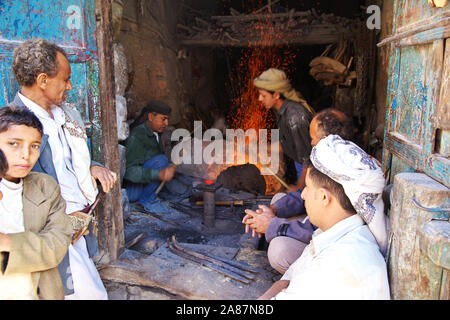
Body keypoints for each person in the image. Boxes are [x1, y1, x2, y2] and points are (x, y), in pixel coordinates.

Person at [11, 38, 118, 299]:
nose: (70, 86)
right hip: (49, 232)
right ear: (43, 80)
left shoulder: (65, 113)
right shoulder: (15, 127)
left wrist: (91, 166)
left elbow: (65, 160)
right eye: (65, 79)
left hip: (75, 226)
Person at [258, 134, 390, 300]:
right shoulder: (332, 233)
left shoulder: (336, 266)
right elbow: (286, 281)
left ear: (323, 197)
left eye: (307, 188)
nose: (303, 195)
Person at [243, 108, 355, 274]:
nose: (310, 143)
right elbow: (303, 196)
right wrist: (273, 211)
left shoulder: (347, 171)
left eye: (312, 138)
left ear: (325, 139)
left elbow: (317, 230)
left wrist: (272, 224)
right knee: (279, 199)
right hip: (316, 226)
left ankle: (299, 275)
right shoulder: (330, 159)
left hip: (331, 242)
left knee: (279, 251)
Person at [0, 105, 72, 300]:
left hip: (38, 292)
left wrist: (7, 242)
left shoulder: (45, 187)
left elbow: (57, 244)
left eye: (34, 146)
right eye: (14, 144)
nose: (26, 155)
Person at [253, 68, 314, 183]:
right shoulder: (281, 110)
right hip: (302, 166)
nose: (259, 99)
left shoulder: (294, 117)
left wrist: (299, 186)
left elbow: (308, 161)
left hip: (310, 171)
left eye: (263, 95)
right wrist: (255, 148)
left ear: (276, 95)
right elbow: (289, 144)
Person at [124, 100, 177, 209]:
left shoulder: (156, 134)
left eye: (167, 119)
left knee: (172, 169)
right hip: (132, 190)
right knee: (162, 160)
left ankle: (148, 198)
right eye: (163, 119)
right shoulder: (137, 135)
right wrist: (158, 174)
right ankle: (146, 202)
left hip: (142, 185)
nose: (166, 123)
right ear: (151, 117)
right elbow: (129, 172)